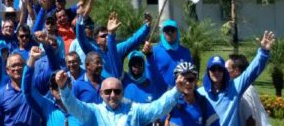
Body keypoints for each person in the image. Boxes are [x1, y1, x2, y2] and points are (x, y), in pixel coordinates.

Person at [198, 31, 275, 126]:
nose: (216, 72)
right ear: (208, 71)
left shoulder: (234, 87)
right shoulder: (200, 93)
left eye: (220, 69)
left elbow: (251, 72)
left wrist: (263, 52)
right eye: (213, 69)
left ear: (224, 71)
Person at [57, 70, 187, 126]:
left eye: (117, 91)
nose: (112, 95)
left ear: (122, 93)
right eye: (108, 91)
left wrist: (176, 91)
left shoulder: (134, 110)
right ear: (101, 93)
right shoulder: (93, 112)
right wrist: (63, 88)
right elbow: (74, 106)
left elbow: (157, 108)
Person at [23, 46, 82, 126]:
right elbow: (28, 92)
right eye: (55, 85)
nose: (58, 87)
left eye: (63, 83)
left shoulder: (81, 107)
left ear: (70, 85)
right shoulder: (47, 107)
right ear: (50, 89)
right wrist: (32, 58)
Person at [166, 62, 218, 126]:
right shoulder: (171, 102)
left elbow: (215, 123)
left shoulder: (203, 103)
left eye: (191, 79)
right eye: (183, 80)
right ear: (177, 82)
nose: (187, 83)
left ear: (195, 81)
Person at [0, 52, 34, 126]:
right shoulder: (0, 95)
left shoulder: (34, 90)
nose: (17, 68)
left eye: (20, 65)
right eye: (13, 66)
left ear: (25, 67)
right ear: (7, 70)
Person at [227, 54, 271, 126]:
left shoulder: (244, 91)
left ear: (236, 71)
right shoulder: (249, 88)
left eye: (227, 69)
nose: (223, 72)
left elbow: (251, 120)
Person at [153, 20, 194, 89]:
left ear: (177, 32)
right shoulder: (155, 51)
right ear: (163, 33)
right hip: (161, 95)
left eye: (172, 30)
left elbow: (191, 74)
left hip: (181, 95)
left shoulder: (185, 52)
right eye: (167, 30)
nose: (170, 33)